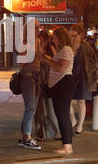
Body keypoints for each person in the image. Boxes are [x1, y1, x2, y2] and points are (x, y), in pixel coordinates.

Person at [38, 27, 77, 155]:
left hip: (63, 84)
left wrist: (48, 60)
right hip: (59, 85)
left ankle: (67, 146)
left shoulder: (66, 50)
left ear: (60, 37)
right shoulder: (62, 50)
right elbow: (57, 62)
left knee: (63, 115)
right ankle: (66, 144)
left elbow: (61, 68)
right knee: (60, 115)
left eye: (54, 37)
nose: (52, 39)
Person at [17, 20, 43, 149]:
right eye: (35, 27)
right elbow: (21, 63)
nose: (38, 29)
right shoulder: (25, 43)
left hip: (37, 77)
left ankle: (24, 136)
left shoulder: (38, 41)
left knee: (32, 108)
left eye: (39, 27)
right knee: (30, 107)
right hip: (28, 77)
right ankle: (27, 137)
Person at [69, 24, 98, 135]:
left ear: (80, 35)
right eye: (71, 35)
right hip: (70, 76)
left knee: (81, 101)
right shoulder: (68, 46)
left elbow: (93, 58)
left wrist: (92, 71)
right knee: (68, 101)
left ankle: (80, 126)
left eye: (74, 35)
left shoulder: (85, 45)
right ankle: (73, 120)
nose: (72, 37)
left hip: (83, 76)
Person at [34, 30, 61, 141]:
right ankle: (41, 133)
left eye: (40, 39)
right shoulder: (37, 50)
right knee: (39, 111)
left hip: (48, 83)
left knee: (50, 110)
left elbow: (56, 64)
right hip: (40, 82)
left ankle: (58, 132)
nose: (38, 41)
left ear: (44, 39)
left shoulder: (50, 49)